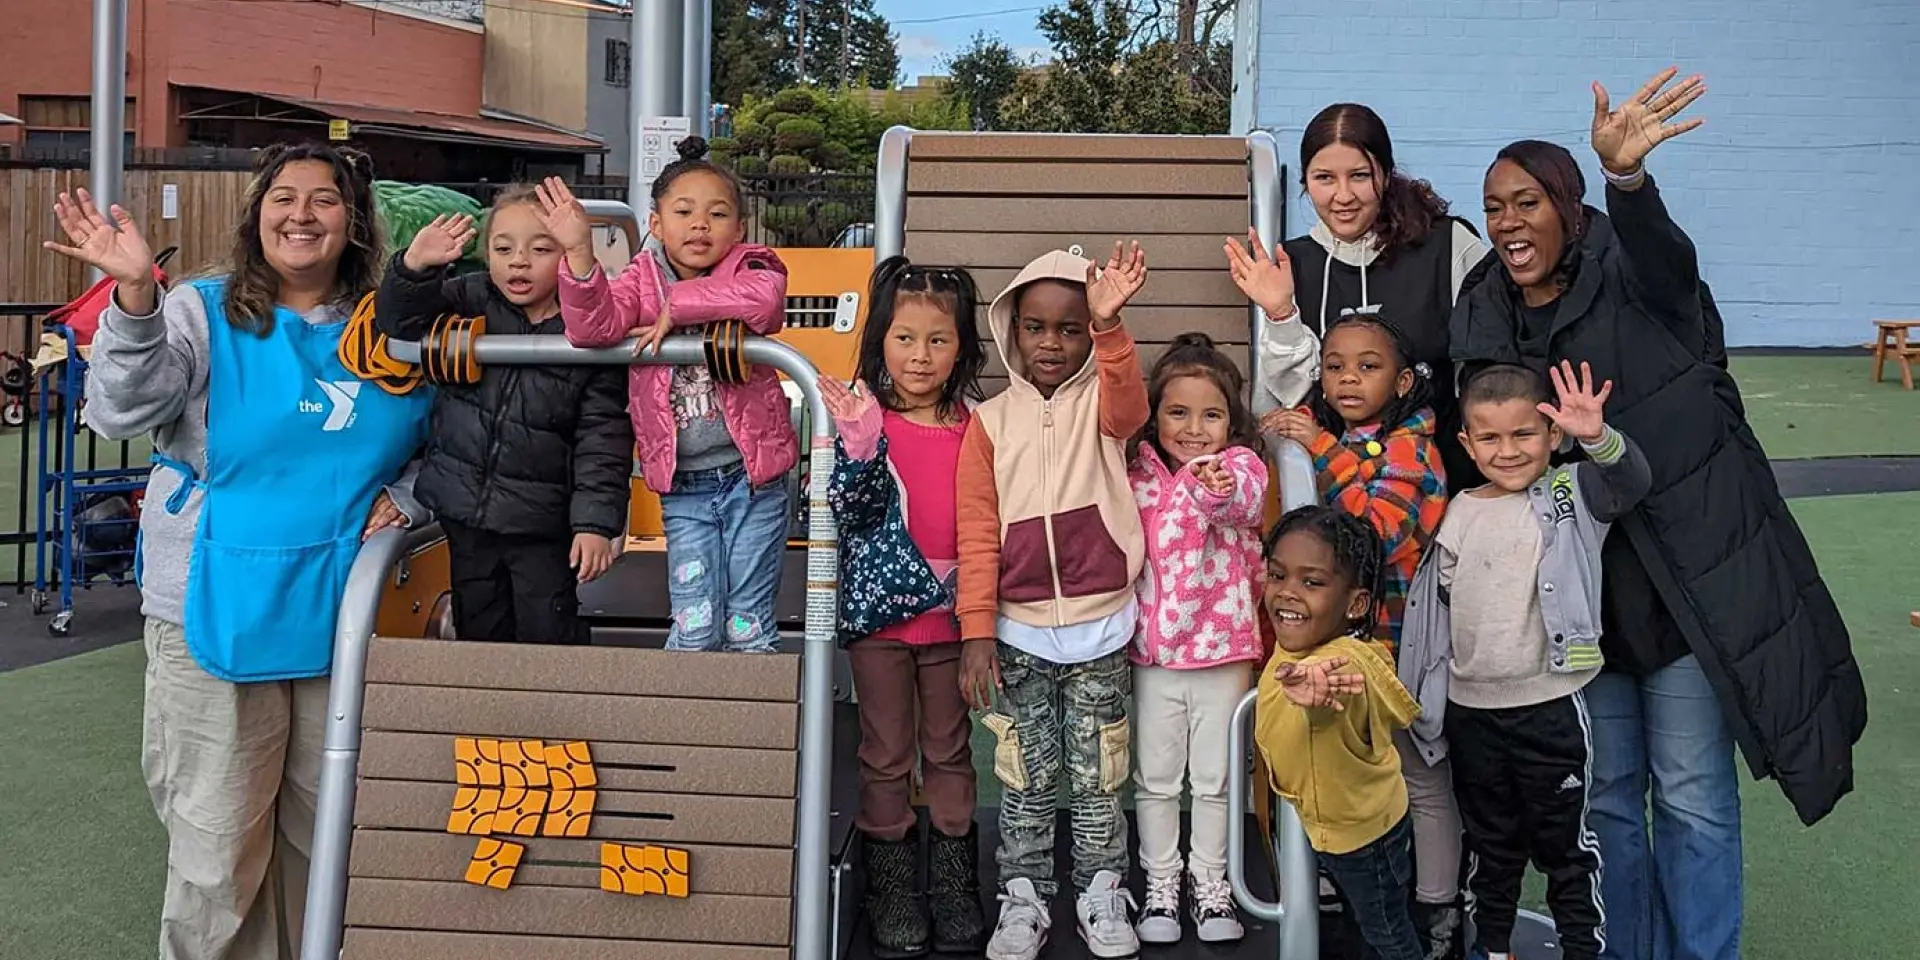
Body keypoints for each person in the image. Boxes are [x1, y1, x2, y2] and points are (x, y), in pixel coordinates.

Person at [1451, 67, 1866, 960]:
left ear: (1567, 204)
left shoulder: (1631, 271)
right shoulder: (1483, 307)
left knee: (1692, 795)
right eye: (1495, 207)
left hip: (1683, 588)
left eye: (1528, 202)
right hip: (1576, 606)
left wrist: (1628, 181)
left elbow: (1672, 265)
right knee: (1605, 802)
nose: (1510, 222)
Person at [50, 143, 433, 960]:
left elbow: (447, 442)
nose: (301, 214)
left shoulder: (395, 323)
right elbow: (120, 409)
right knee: (218, 850)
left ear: (354, 219)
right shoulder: (199, 309)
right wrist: (134, 297)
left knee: (331, 841)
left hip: (348, 615)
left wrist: (409, 497)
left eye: (324, 199)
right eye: (283, 197)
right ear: (256, 214)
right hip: (212, 610)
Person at [1399, 362, 1653, 960]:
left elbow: (1630, 481)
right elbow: (1436, 618)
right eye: (1490, 437)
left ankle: (1581, 950)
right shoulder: (1458, 510)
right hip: (1471, 714)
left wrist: (1597, 436)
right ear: (1466, 443)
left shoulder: (1571, 495)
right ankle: (1491, 949)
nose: (1508, 450)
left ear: (1552, 437)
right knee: (1490, 847)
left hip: (1550, 710)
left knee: (1566, 848)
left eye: (1524, 435)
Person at [955, 241, 1151, 960]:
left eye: (1068, 329)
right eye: (1035, 326)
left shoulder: (1105, 398)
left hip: (1102, 628)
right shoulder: (989, 422)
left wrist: (1108, 327)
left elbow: (1131, 407)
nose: (1050, 342)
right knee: (1023, 776)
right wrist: (977, 630)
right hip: (1017, 635)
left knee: (1101, 775)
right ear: (1012, 331)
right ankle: (1025, 896)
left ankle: (1103, 890)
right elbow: (977, 534)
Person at [543, 137, 798, 654]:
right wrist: (577, 252)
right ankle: (686, 726)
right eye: (684, 212)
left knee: (747, 625)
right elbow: (593, 328)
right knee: (696, 621)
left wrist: (678, 306)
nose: (700, 224)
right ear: (656, 224)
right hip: (685, 486)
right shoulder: (641, 278)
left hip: (754, 480)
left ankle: (751, 730)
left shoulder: (752, 265)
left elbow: (765, 302)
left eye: (717, 213)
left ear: (740, 229)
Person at [1264, 311, 1462, 956]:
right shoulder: (1348, 441)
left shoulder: (1412, 446)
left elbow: (1378, 533)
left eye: (1367, 367)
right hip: (1350, 647)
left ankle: (1436, 907)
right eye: (1335, 366)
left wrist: (1320, 448)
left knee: (1419, 769)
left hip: (1399, 646)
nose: (1347, 378)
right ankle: (1350, 885)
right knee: (1352, 760)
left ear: (1402, 381)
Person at [373, 188, 634, 645]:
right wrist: (415, 266)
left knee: (546, 628)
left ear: (569, 253)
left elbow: (604, 437)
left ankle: (549, 713)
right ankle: (485, 715)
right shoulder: (468, 298)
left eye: (541, 248)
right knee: (480, 626)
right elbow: (399, 321)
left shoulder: (588, 328)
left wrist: (595, 523)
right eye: (503, 248)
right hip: (466, 512)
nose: (519, 262)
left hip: (542, 521)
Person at [821, 257, 989, 958]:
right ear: (880, 340)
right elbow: (848, 508)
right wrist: (859, 443)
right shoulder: (862, 419)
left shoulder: (977, 424)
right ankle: (890, 888)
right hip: (881, 624)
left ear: (962, 348)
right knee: (885, 755)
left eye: (938, 341)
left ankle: (954, 885)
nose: (920, 357)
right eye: (904, 339)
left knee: (950, 750)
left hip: (951, 621)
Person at [1248, 103, 1490, 495]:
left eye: (1359, 176)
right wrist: (1281, 314)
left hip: (1449, 486)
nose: (1343, 195)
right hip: (1333, 499)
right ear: (1306, 183)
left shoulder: (1448, 246)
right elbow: (1292, 397)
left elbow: (1491, 367)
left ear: (1386, 175)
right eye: (1324, 178)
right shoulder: (1289, 265)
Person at [1125, 332, 1270, 946]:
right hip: (1154, 651)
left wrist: (1212, 485)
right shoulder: (1135, 472)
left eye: (1211, 414)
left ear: (1231, 421)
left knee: (1214, 781)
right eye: (1177, 413)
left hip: (1222, 650)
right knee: (1155, 779)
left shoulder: (1239, 466)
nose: (1193, 428)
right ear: (1155, 415)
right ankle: (1161, 882)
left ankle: (1213, 887)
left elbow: (1241, 502)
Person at [1254, 506, 1423, 960]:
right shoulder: (1300, 637)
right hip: (1337, 826)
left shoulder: (1338, 665)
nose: (1287, 594)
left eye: (1312, 583)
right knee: (1361, 927)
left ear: (1356, 604)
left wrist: (1313, 686)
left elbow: (1332, 694)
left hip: (1365, 839)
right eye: (1278, 575)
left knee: (1387, 935)